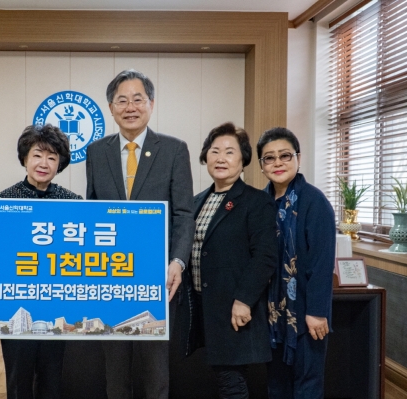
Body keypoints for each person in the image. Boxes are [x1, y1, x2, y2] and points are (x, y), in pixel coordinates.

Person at [86, 69, 195, 399]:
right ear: (110, 107)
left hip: (158, 276)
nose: (130, 106)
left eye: (138, 99)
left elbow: (184, 213)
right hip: (111, 277)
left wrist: (177, 261)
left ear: (151, 103)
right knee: (115, 369)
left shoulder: (174, 150)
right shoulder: (96, 151)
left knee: (154, 369)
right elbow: (92, 213)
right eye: (122, 100)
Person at [183, 122, 277, 399]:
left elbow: (265, 256)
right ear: (205, 157)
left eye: (229, 152)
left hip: (233, 307)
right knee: (223, 378)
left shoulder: (256, 201)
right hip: (202, 306)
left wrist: (244, 300)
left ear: (243, 159)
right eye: (214, 151)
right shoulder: (196, 201)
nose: (220, 158)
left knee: (231, 380)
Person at [0, 124, 82, 399]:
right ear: (25, 158)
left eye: (52, 157)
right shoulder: (3, 201)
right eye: (37, 155)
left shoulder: (73, 202)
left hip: (57, 303)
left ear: (60, 164)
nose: (44, 163)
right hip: (16, 303)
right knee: (18, 378)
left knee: (52, 376)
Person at [257, 127, 335, 399]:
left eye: (285, 155)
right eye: (269, 158)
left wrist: (316, 312)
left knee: (307, 385)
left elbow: (322, 263)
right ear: (261, 165)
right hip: (272, 313)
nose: (278, 163)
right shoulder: (261, 202)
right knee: (276, 385)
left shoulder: (314, 201)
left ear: (298, 159)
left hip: (305, 313)